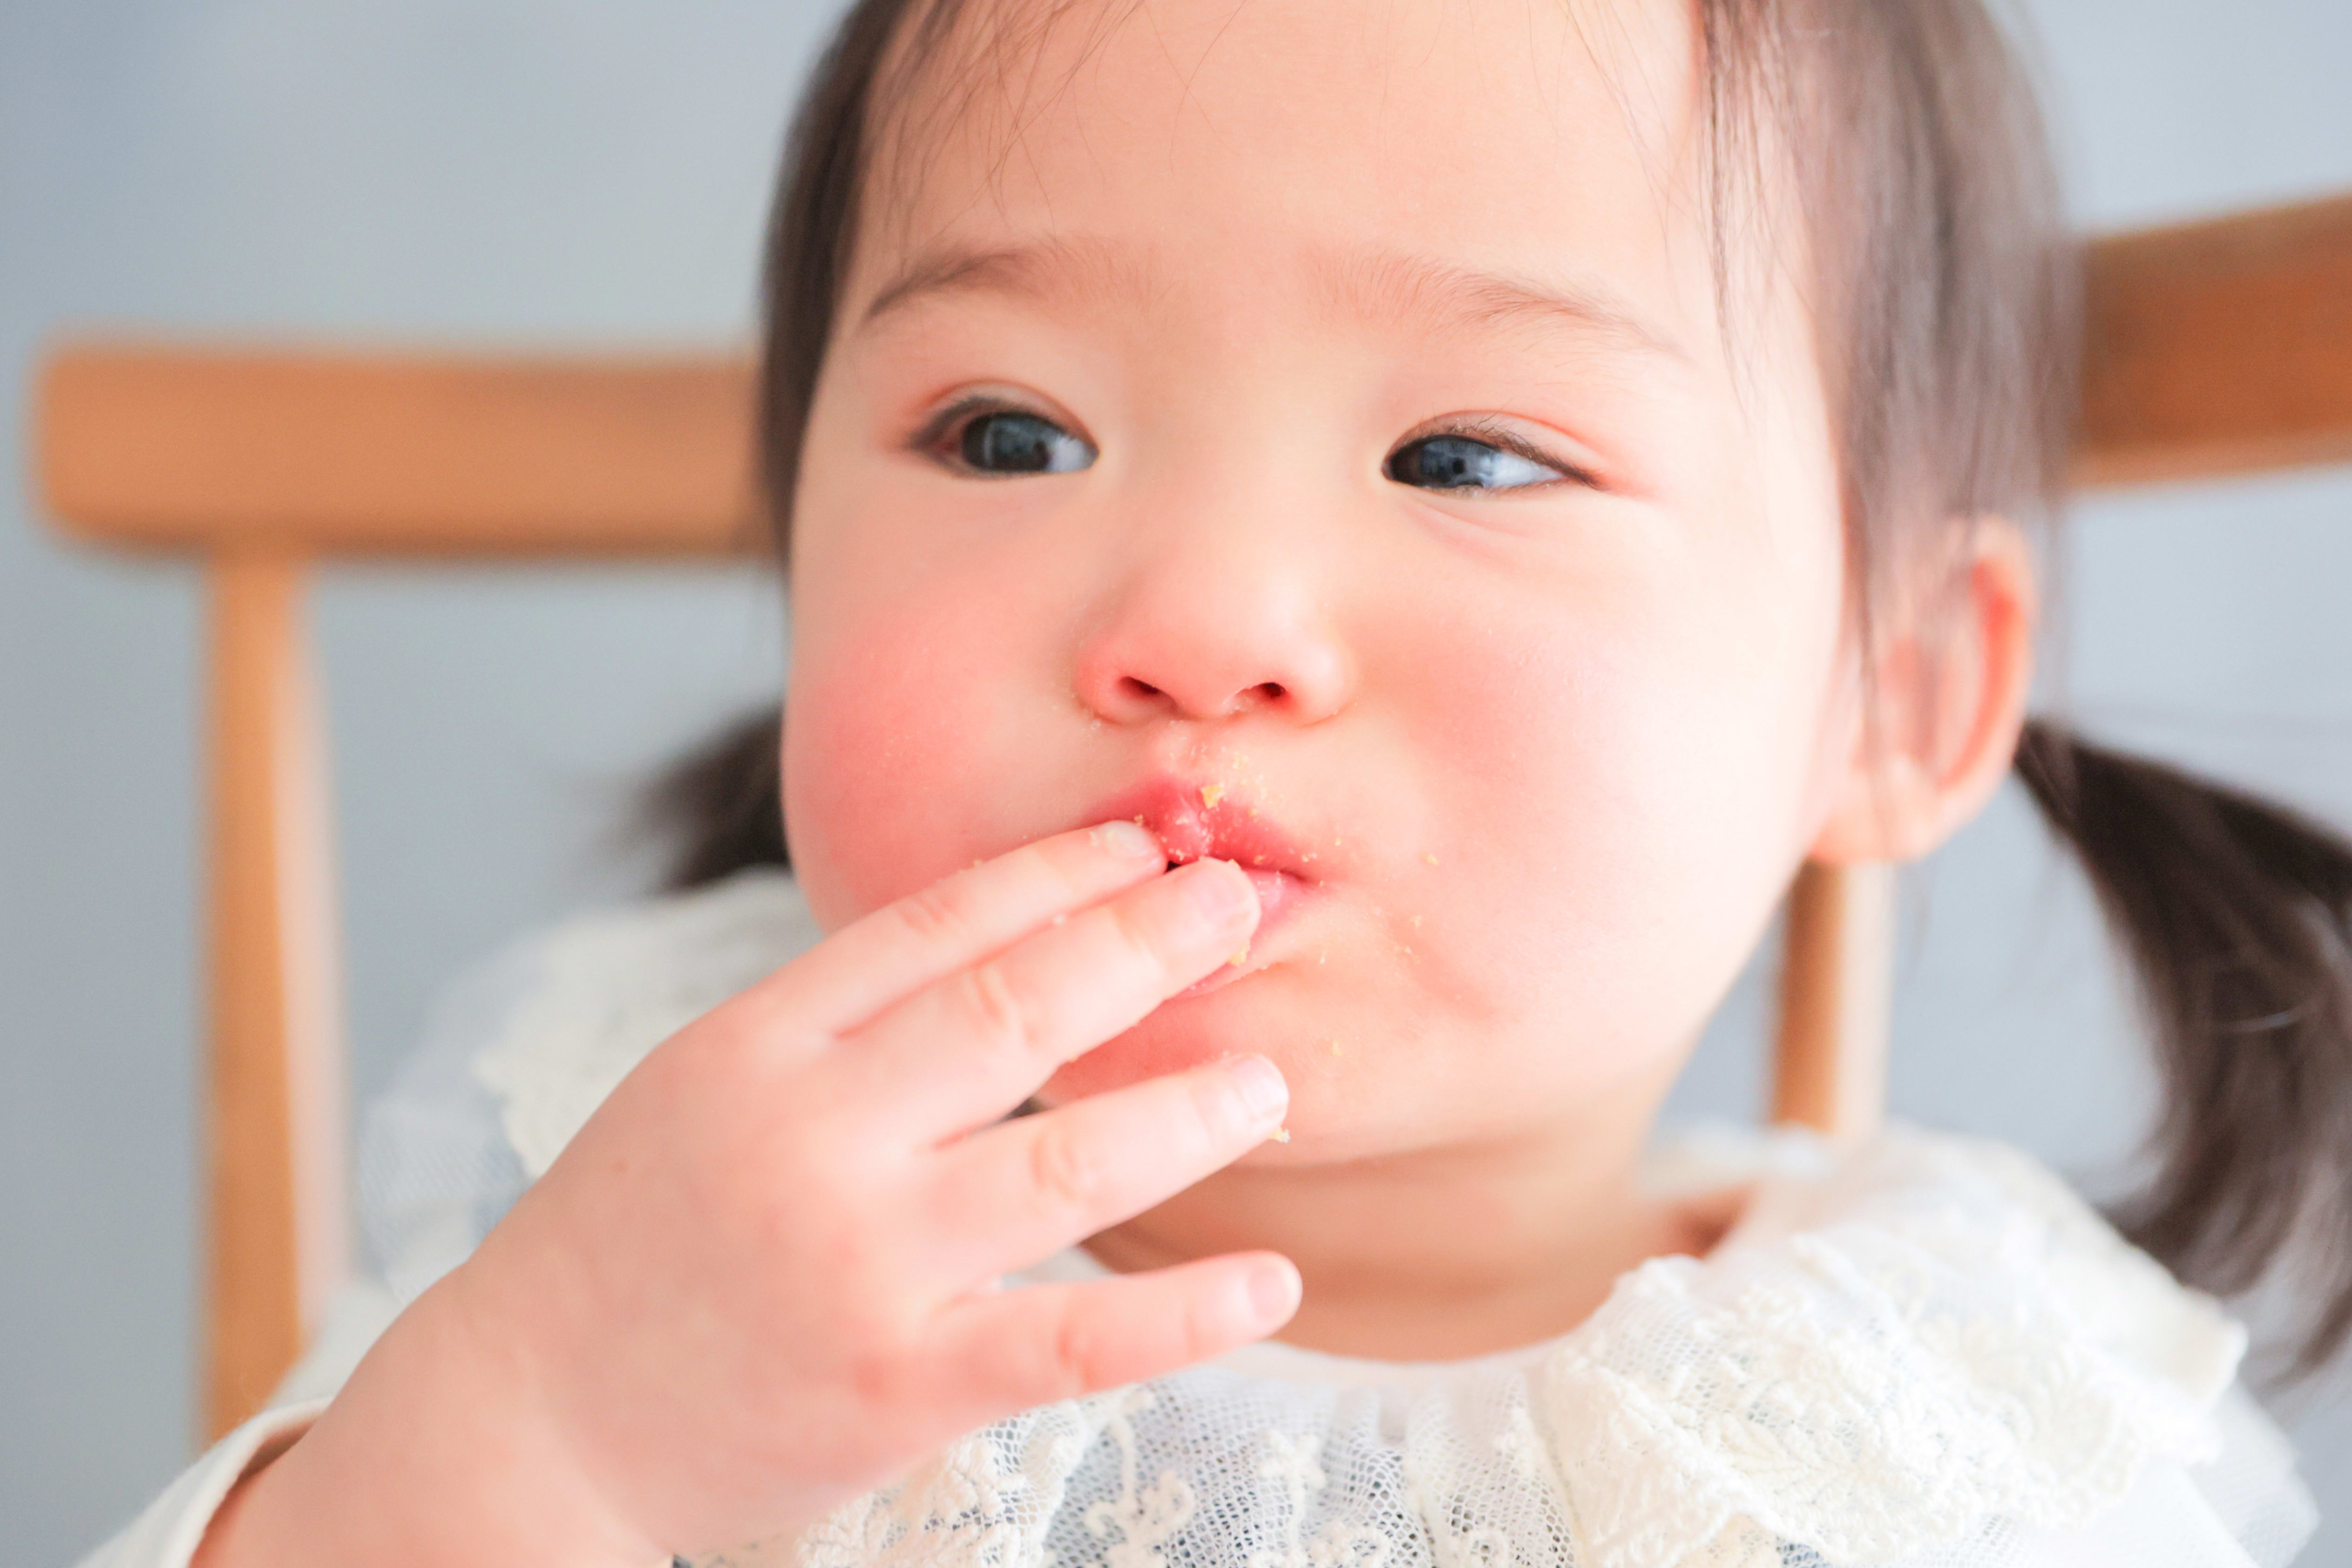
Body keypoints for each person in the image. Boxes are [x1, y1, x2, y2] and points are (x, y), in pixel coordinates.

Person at [78, 0, 2352, 1563]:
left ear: (1899, 693)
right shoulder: (648, 1222)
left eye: (1466, 454)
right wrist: (538, 1439)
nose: (1203, 612)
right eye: (1009, 433)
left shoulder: (1947, 1404)